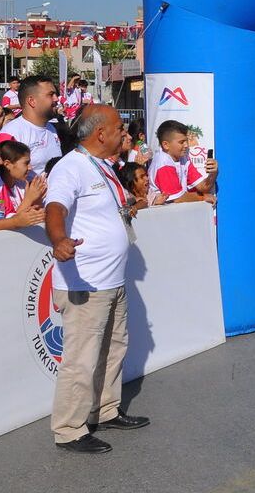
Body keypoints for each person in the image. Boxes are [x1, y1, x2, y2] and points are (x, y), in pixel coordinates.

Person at [45, 104, 149, 454]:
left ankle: (104, 410)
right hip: (85, 283)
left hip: (111, 280)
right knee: (82, 358)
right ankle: (69, 429)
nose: (125, 133)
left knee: (113, 348)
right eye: (119, 128)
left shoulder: (102, 165)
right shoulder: (70, 167)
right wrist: (59, 239)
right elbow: (55, 208)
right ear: (100, 133)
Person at [0, 75, 62, 178]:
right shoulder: (10, 135)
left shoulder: (51, 128)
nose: (56, 99)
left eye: (56, 94)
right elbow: (2, 180)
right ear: (32, 101)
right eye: (51, 95)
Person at [147, 120, 217, 205]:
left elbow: (203, 187)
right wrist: (203, 197)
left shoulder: (183, 158)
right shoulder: (163, 162)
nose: (186, 145)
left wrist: (213, 173)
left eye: (186, 141)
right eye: (181, 142)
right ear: (166, 145)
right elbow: (177, 198)